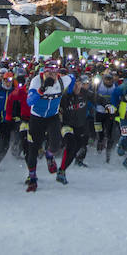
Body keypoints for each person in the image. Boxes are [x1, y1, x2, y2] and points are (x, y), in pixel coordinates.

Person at [24, 61, 74, 192]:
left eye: (54, 73)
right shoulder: (37, 81)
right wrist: (42, 89)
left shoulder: (62, 81)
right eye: (48, 73)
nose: (51, 75)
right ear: (43, 72)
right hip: (37, 118)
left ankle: (49, 155)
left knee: (56, 145)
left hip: (52, 116)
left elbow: (72, 78)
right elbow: (30, 102)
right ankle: (32, 178)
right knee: (33, 149)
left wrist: (69, 92)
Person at [56, 74, 94, 182]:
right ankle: (60, 168)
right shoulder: (65, 97)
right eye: (75, 86)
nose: (77, 88)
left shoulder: (85, 93)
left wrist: (106, 105)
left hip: (79, 125)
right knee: (71, 144)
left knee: (76, 147)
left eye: (79, 85)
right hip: (66, 125)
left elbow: (97, 98)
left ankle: (63, 169)